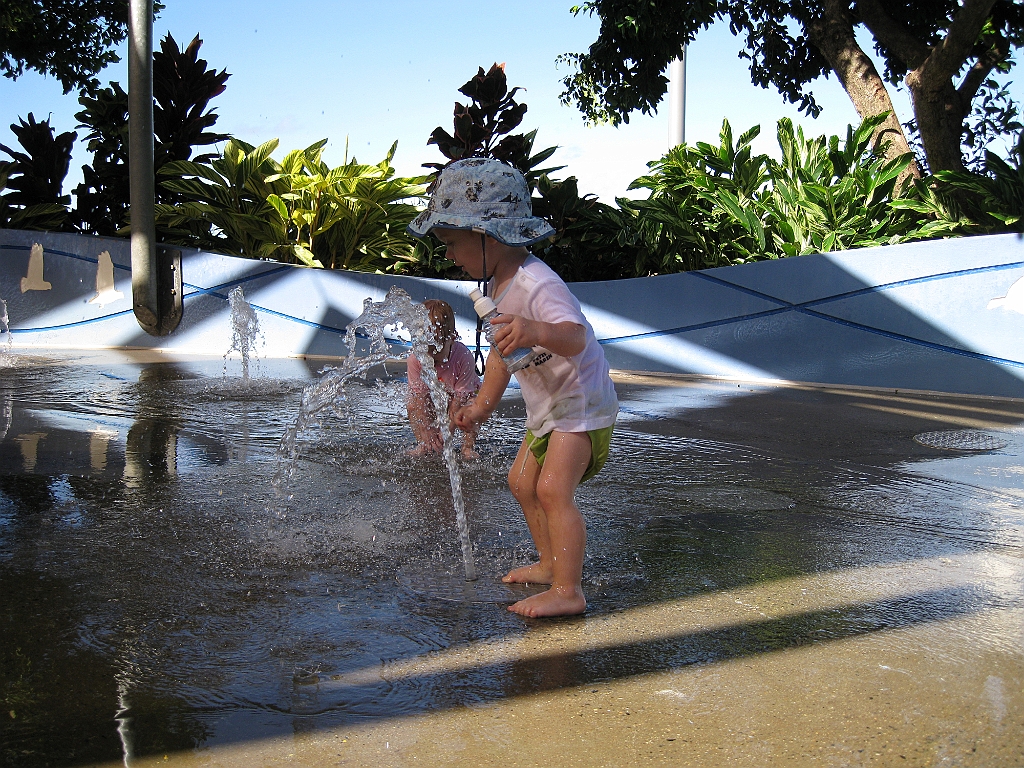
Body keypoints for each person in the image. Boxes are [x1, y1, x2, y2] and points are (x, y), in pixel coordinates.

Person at [407, 158, 619, 618]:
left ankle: (569, 590)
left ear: (487, 235)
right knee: (521, 483)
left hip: (580, 400)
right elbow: (504, 355)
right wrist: (481, 407)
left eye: (451, 243)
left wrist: (534, 329)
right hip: (550, 405)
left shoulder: (537, 282)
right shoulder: (495, 286)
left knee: (552, 490)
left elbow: (576, 337)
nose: (449, 255)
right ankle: (550, 563)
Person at [406, 299, 481, 461]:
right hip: (437, 394)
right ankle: (425, 444)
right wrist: (427, 430)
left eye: (436, 350)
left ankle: (468, 447)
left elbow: (459, 399)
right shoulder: (415, 359)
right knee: (412, 405)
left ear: (452, 338)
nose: (430, 358)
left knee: (473, 407)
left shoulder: (463, 357)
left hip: (463, 396)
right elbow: (419, 398)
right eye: (425, 351)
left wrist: (447, 431)